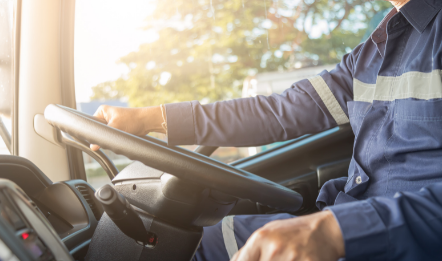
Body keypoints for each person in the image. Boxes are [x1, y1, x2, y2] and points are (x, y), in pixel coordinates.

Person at [91, 0, 442, 260]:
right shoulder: (373, 53)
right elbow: (279, 112)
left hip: (395, 241)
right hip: (348, 223)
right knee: (194, 239)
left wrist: (336, 230)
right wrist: (150, 119)